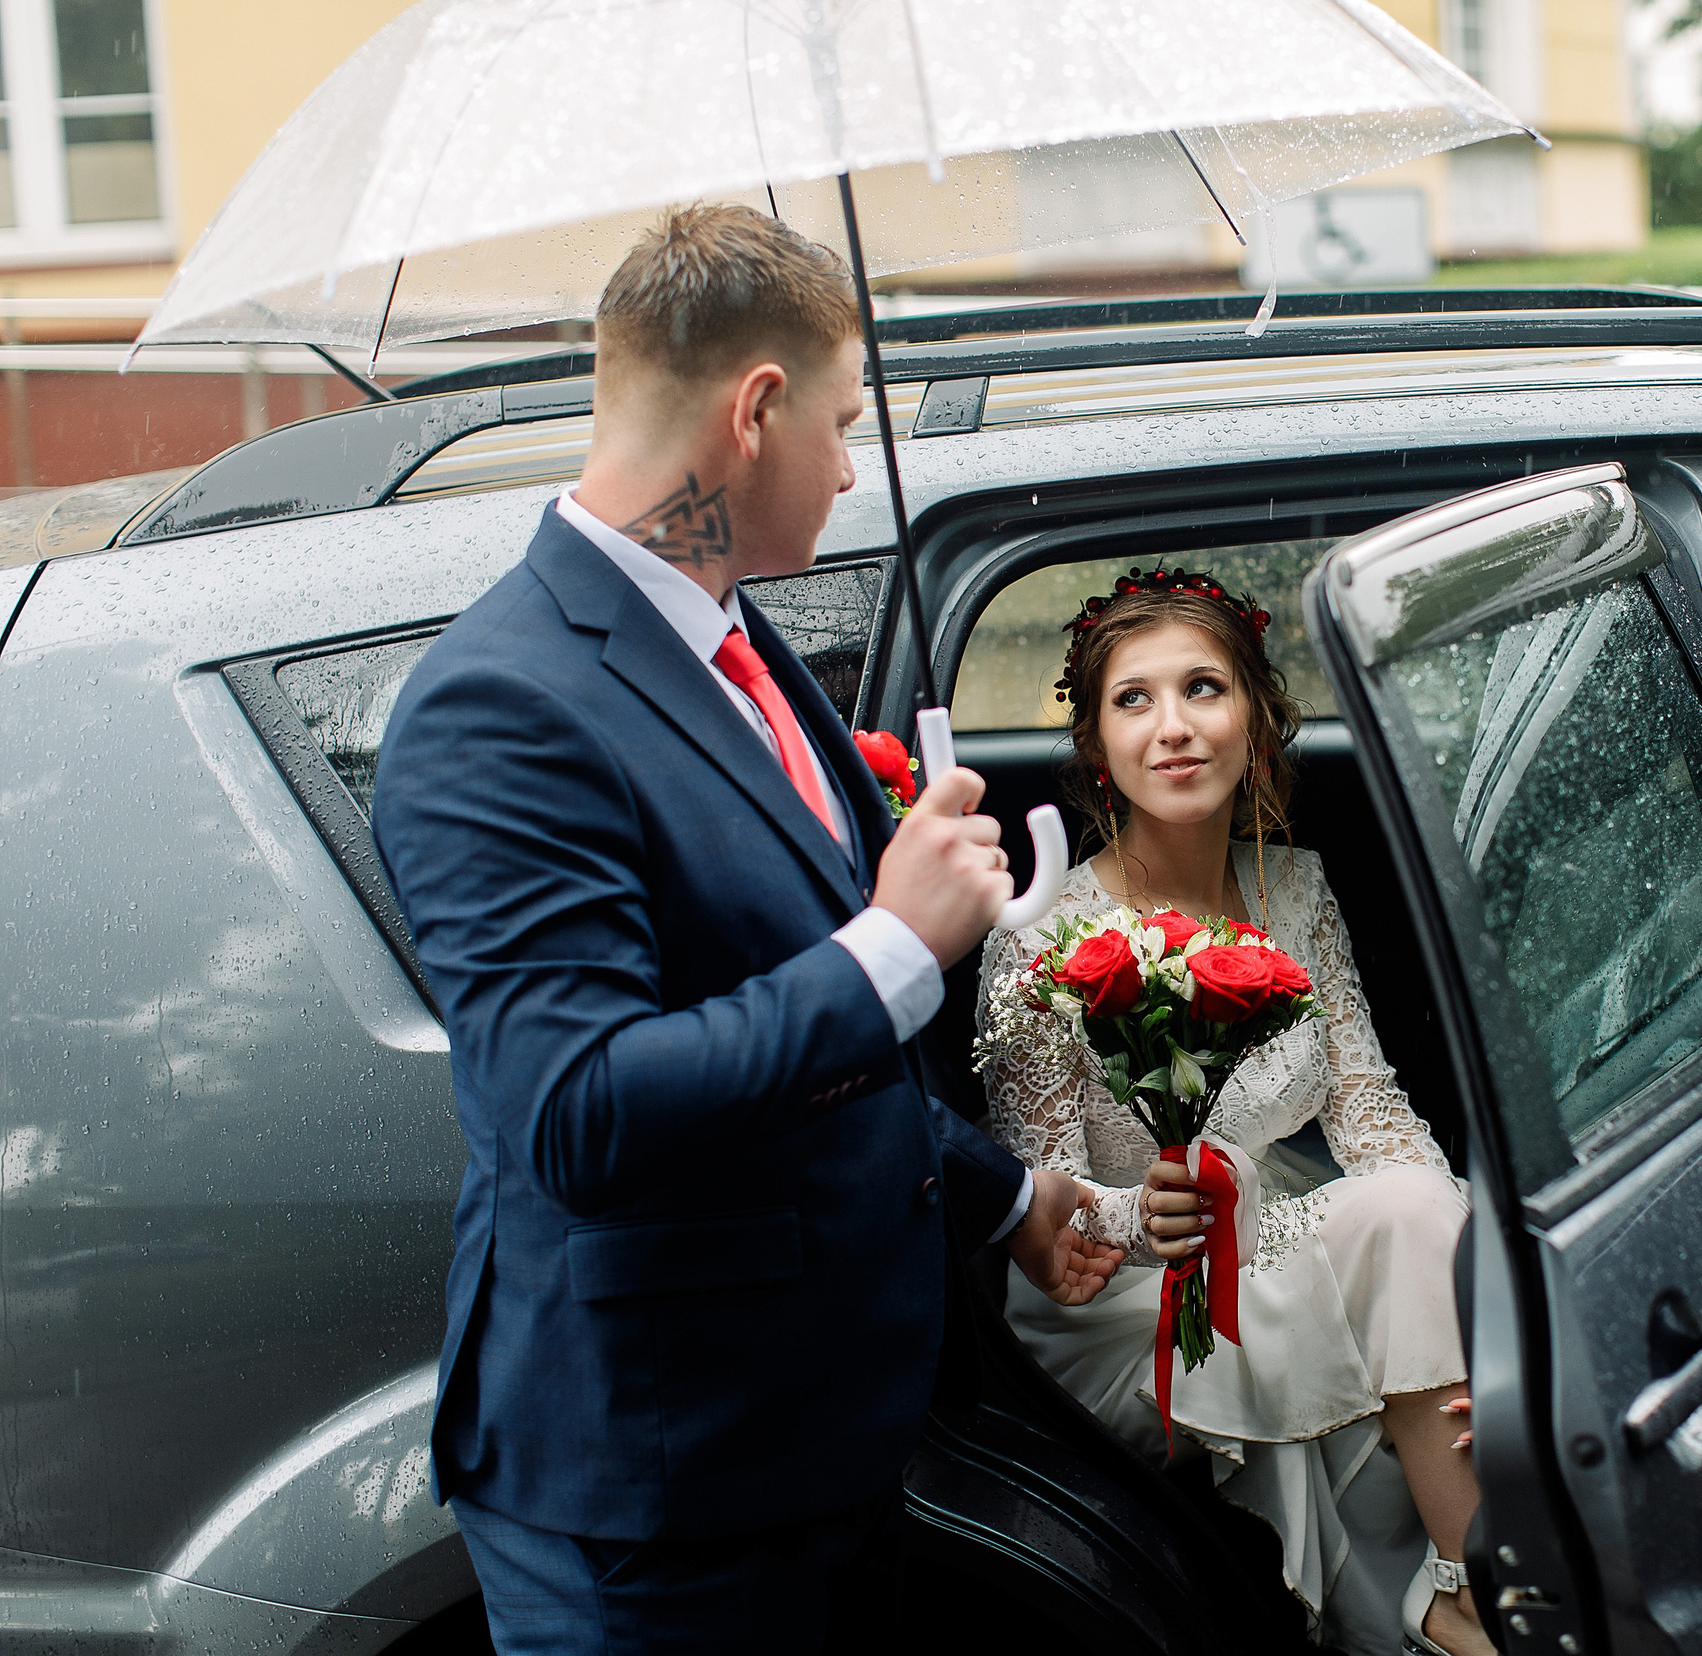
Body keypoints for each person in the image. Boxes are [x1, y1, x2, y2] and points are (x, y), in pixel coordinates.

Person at [369, 204, 1121, 1655]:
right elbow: (574, 1111)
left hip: (821, 1449)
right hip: (658, 1502)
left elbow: (774, 1010)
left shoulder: (732, 628)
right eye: (840, 424)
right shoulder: (501, 706)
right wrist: (896, 949)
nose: (851, 466)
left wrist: (1000, 1195)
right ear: (755, 410)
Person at [974, 566, 1493, 1656]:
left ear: (1256, 723)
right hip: (1119, 1308)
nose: (1172, 727)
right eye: (1134, 700)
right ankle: (1468, 1594)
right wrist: (1155, 1213)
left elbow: (1373, 1112)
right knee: (1394, 1228)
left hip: (1273, 1241)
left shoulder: (1298, 891)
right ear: (1098, 750)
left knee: (1414, 1221)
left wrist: (1467, 1277)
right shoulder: (1038, 940)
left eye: (1203, 689)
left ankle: (1457, 1595)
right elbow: (1050, 1217)